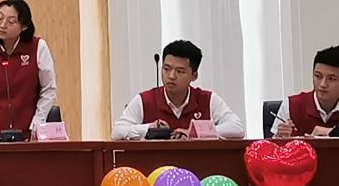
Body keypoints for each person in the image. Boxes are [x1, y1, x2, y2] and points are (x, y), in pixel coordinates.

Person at [112, 40, 245, 140]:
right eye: (166, 69)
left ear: (194, 76)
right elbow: (117, 131)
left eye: (180, 71)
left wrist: (195, 133)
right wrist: (148, 128)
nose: (171, 76)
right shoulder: (145, 100)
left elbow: (237, 128)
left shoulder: (208, 100)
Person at [0, 0, 57, 141]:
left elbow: (49, 90)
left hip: (28, 136)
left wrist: (36, 125)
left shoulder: (38, 47)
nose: (2, 25)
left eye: (11, 22)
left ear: (24, 26)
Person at [273, 46, 339, 138]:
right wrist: (279, 137)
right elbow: (272, 144)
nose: (323, 84)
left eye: (331, 79)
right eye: (318, 76)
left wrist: (331, 132)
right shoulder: (291, 105)